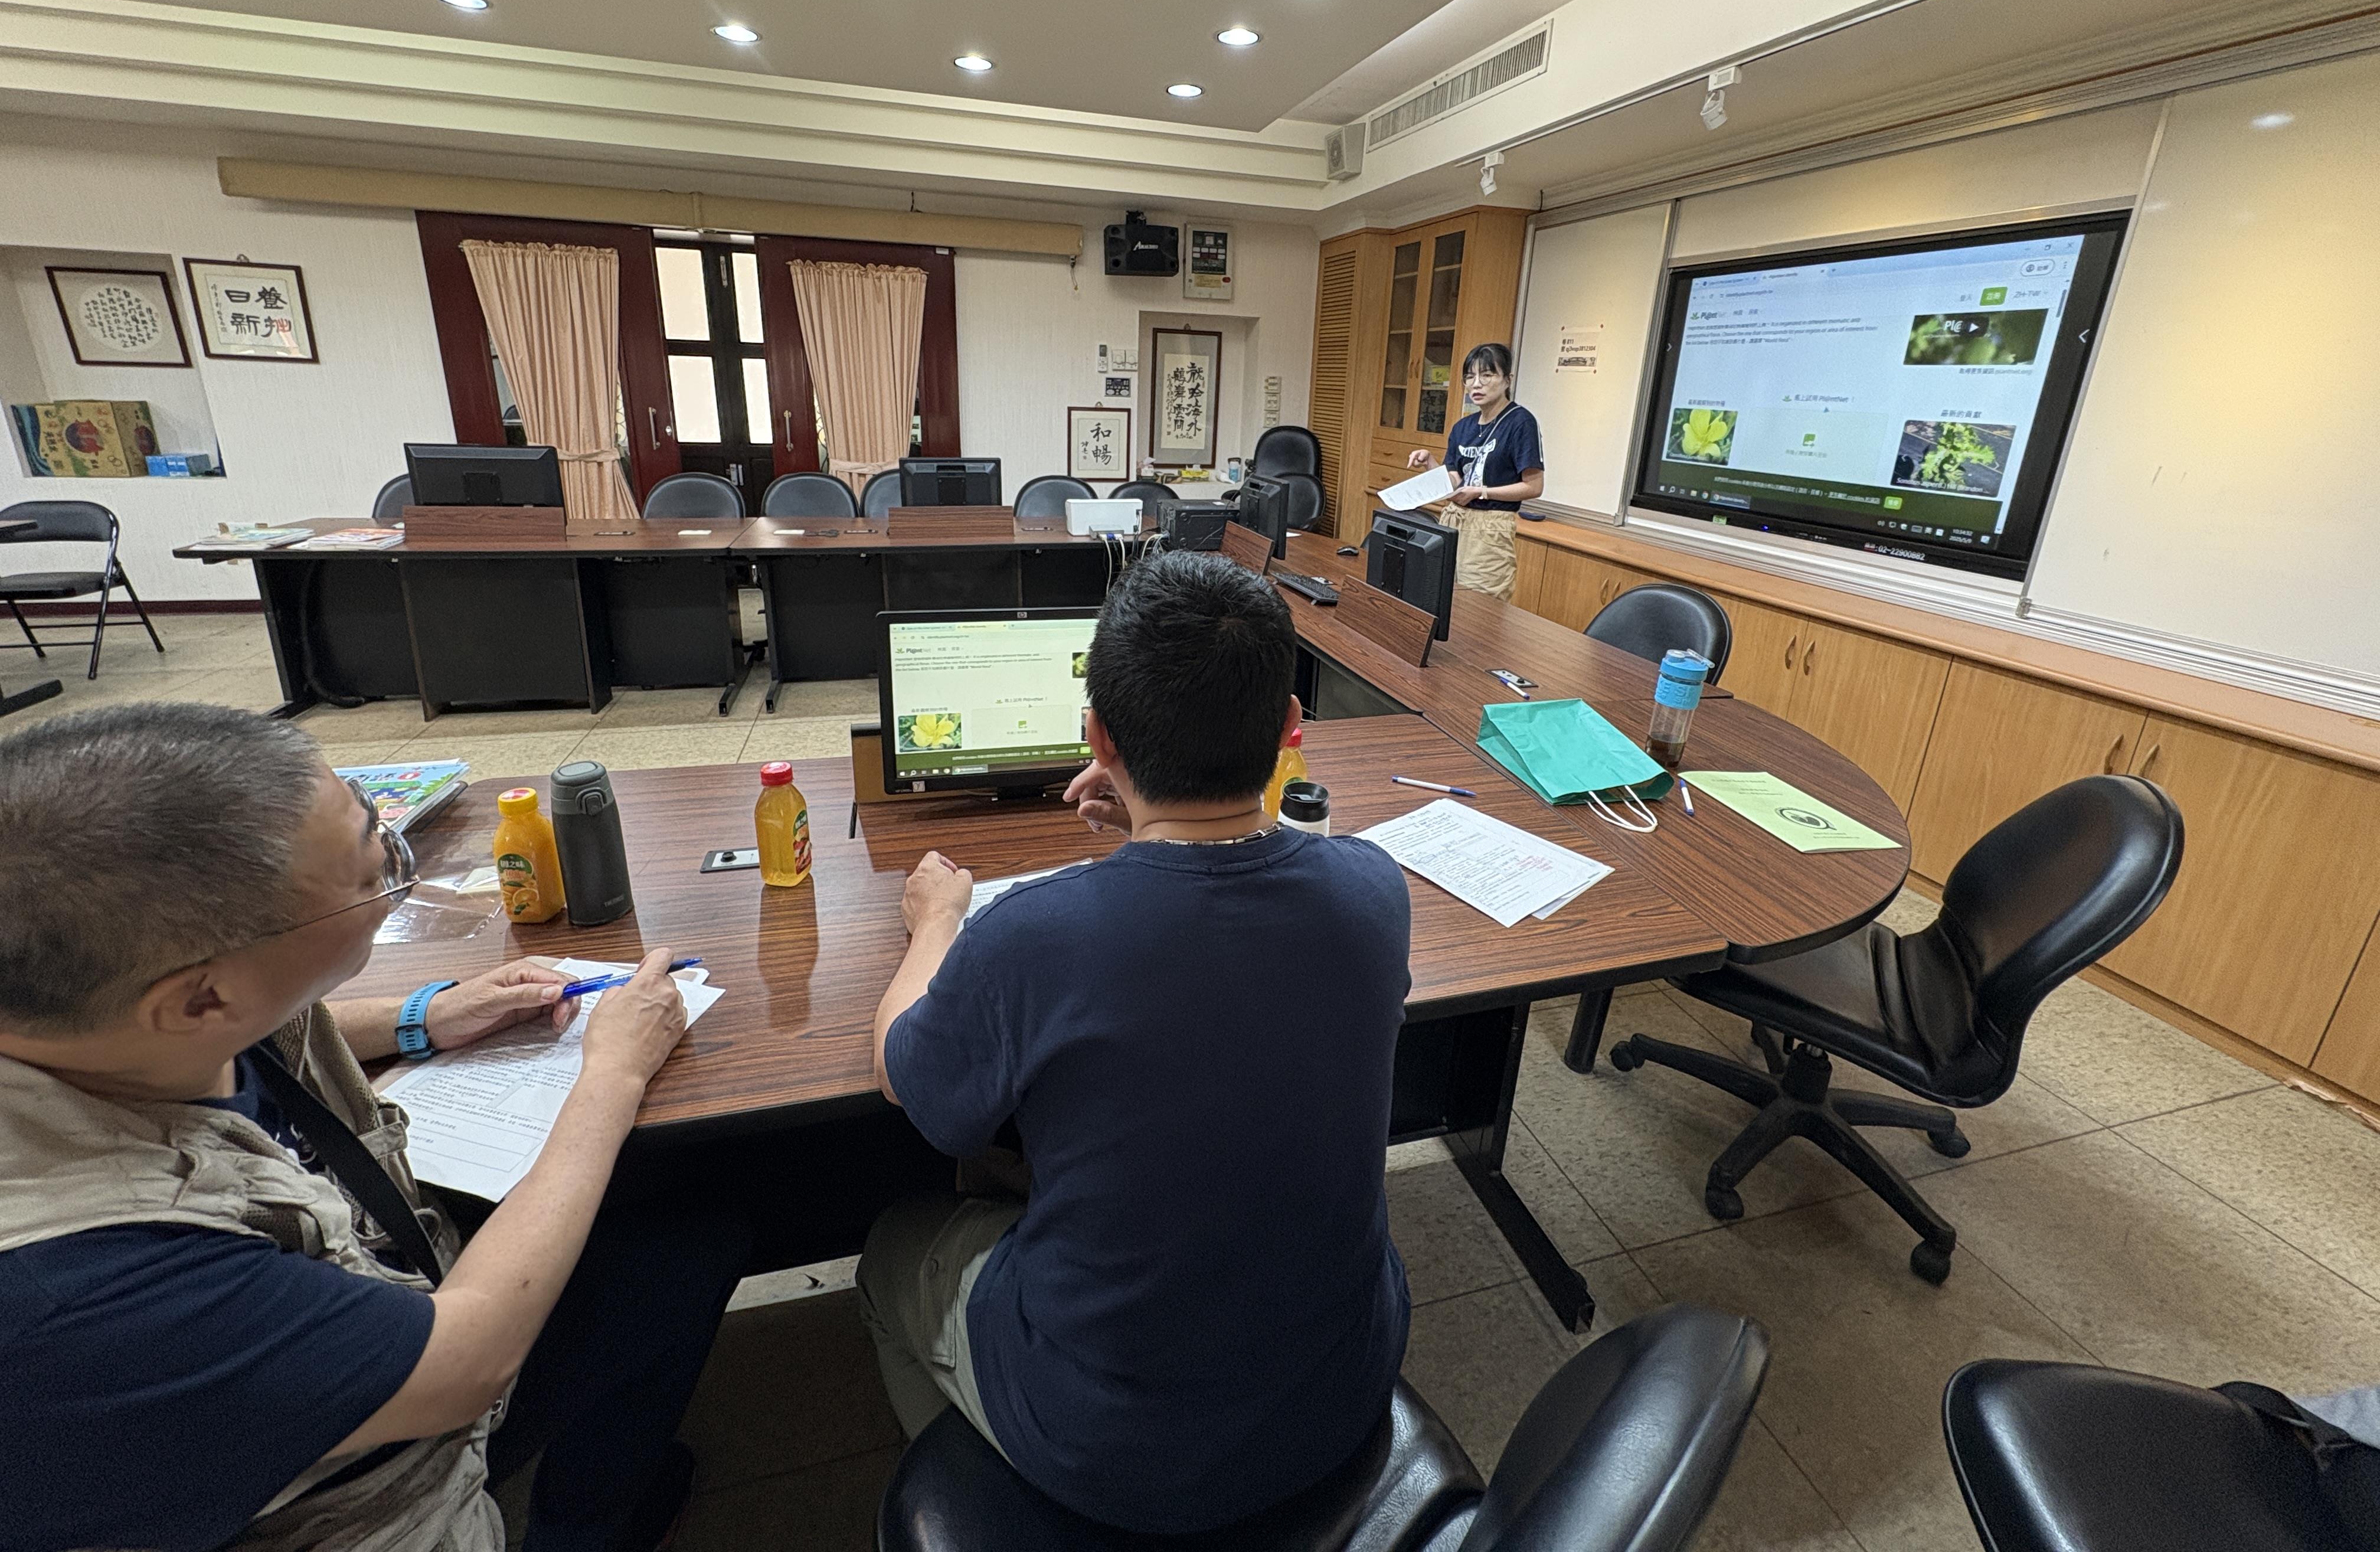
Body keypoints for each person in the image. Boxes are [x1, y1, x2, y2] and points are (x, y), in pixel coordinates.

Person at [0, 703, 750, 1552]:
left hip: (361, 1273)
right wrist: (612, 1074)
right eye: (373, 875)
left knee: (673, 1225)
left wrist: (422, 1015)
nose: (393, 878)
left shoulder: (90, 1013)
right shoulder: (95, 1294)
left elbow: (261, 1022)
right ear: (201, 1000)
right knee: (675, 1249)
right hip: (372, 1477)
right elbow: (467, 1363)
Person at [857, 551, 1413, 1535]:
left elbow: (906, 1074)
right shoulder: (1374, 889)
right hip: (1340, 1387)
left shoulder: (1029, 936)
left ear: (1098, 736)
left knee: (893, 1246)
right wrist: (1153, 826)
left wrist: (935, 920)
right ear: (1291, 724)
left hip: (1118, 1449)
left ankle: (1015, 1507)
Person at [1406, 339, 1545, 600]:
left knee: (1480, 606)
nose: (1476, 384)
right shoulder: (1463, 427)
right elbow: (1455, 481)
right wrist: (1431, 464)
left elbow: (1534, 486)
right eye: (1470, 377)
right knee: (1439, 598)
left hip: (1490, 528)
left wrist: (1482, 492)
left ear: (1508, 379)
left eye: (1487, 375)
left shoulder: (1521, 422)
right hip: (1453, 521)